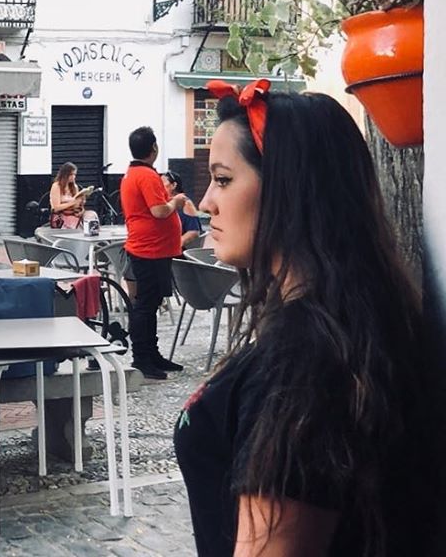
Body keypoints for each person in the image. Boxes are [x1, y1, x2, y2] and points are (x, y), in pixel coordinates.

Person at [174, 79, 430, 556]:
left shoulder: (302, 361)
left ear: (288, 191)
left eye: (224, 179)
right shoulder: (350, 325)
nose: (206, 201)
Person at [120, 126, 186, 379]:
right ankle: (142, 357)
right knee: (146, 305)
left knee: (151, 302)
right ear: (154, 149)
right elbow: (159, 211)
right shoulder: (146, 176)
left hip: (152, 247)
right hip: (150, 249)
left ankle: (152, 353)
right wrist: (176, 202)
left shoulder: (133, 173)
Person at [161, 170, 204, 250]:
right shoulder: (160, 203)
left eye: (162, 183)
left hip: (176, 250)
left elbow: (194, 231)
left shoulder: (185, 202)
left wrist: (175, 245)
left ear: (174, 185)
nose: (159, 186)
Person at [48, 161, 85, 229]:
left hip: (73, 214)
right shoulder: (56, 186)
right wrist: (72, 203)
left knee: (91, 215)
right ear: (65, 175)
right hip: (60, 217)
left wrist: (80, 205)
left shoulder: (74, 187)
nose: (73, 177)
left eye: (75, 175)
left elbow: (76, 205)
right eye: (71, 174)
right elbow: (56, 208)